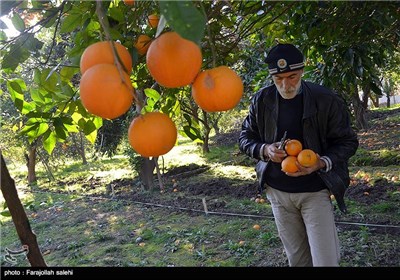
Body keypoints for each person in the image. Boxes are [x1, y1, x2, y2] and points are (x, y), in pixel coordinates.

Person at [238, 43, 359, 267]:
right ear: (272, 76)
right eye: (279, 79)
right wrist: (265, 150)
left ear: (302, 71)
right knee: (297, 260)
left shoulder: (325, 100)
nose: (286, 85)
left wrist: (321, 162)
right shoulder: (262, 100)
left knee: (325, 261)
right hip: (278, 194)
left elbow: (348, 142)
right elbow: (245, 137)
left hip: (314, 192)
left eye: (292, 77)